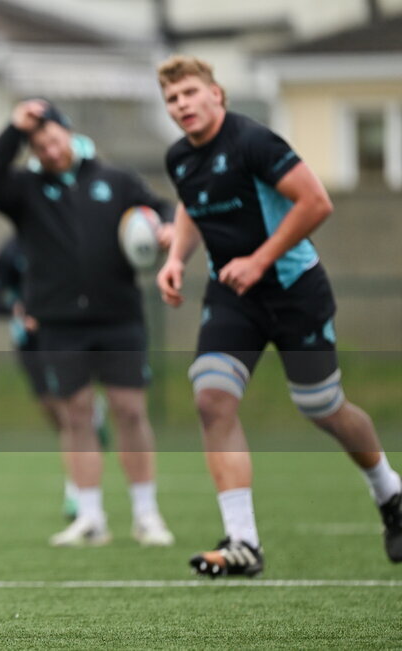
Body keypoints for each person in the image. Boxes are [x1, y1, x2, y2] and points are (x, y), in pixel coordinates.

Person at [155, 55, 402, 577]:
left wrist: (260, 259)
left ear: (216, 95)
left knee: (322, 406)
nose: (182, 105)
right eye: (172, 99)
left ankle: (391, 493)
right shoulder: (180, 158)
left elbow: (316, 202)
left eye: (190, 93)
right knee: (211, 397)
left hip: (294, 290)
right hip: (233, 297)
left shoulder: (253, 142)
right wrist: (176, 258)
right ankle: (243, 542)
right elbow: (190, 207)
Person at [0, 99, 175, 548]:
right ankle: (90, 518)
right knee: (76, 417)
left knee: (130, 411)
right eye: (38, 145)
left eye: (53, 139)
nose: (49, 150)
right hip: (59, 324)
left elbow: (162, 208)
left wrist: (166, 227)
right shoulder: (25, 190)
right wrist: (13, 128)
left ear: (69, 134)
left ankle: (146, 514)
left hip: (119, 318)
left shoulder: (115, 180)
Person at [0, 235, 112, 521]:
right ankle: (92, 413)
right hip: (28, 344)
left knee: (69, 416)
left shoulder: (64, 240)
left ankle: (76, 493)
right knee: (53, 412)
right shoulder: (11, 249)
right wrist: (15, 310)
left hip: (63, 337)